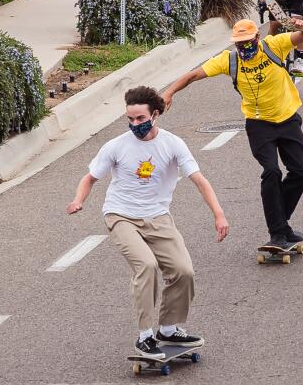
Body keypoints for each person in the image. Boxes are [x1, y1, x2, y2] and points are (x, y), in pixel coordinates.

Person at [67, 86, 228, 360]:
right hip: (121, 216)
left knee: (183, 271)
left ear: (155, 114)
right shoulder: (116, 146)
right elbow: (90, 178)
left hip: (157, 217)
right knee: (147, 266)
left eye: (140, 119)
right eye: (130, 119)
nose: (135, 125)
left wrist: (219, 214)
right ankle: (144, 336)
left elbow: (199, 180)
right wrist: (78, 200)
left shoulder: (172, 144)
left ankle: (167, 328)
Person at [163, 17, 303, 251]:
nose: (244, 47)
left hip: (287, 119)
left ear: (257, 38)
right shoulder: (230, 60)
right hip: (258, 125)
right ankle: (277, 232)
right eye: (239, 43)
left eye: (248, 41)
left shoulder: (274, 45)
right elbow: (193, 75)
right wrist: (169, 92)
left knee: (301, 171)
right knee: (272, 172)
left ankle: (280, 222)